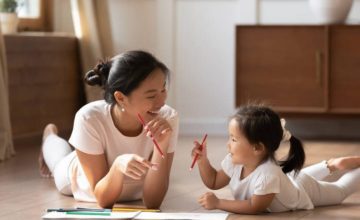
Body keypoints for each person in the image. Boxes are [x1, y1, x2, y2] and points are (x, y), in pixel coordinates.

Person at [38, 50, 179, 208]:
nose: (161, 102)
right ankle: (49, 135)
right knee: (58, 161)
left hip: (133, 192)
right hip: (79, 181)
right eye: (151, 96)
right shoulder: (89, 118)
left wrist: (162, 145)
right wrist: (118, 166)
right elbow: (103, 199)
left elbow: (153, 203)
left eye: (163, 90)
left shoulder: (168, 117)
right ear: (121, 98)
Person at [191, 104, 360, 214]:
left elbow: (254, 206)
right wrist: (202, 160)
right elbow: (213, 181)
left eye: (234, 139)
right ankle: (330, 165)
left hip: (303, 190)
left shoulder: (268, 174)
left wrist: (219, 203)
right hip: (290, 179)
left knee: (340, 190)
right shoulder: (235, 162)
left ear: (257, 148)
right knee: (298, 178)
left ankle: (337, 167)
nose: (228, 144)